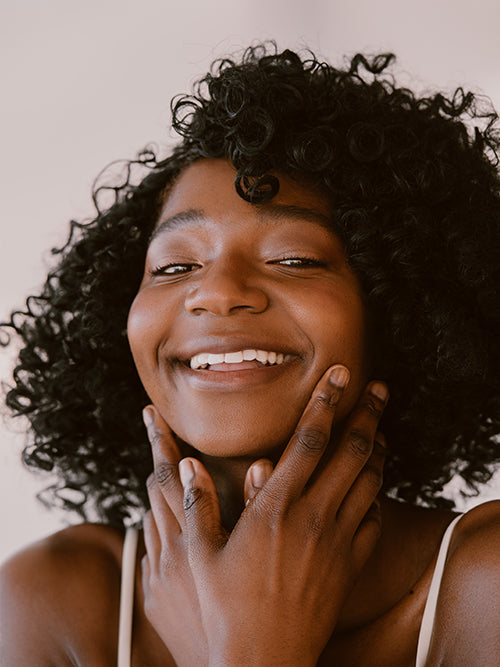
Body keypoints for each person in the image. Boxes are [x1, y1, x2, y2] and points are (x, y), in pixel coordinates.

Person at [0, 44, 499, 666]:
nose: (216, 293)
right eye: (176, 265)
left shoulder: (487, 582)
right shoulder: (58, 601)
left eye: (295, 259)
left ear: (403, 312)